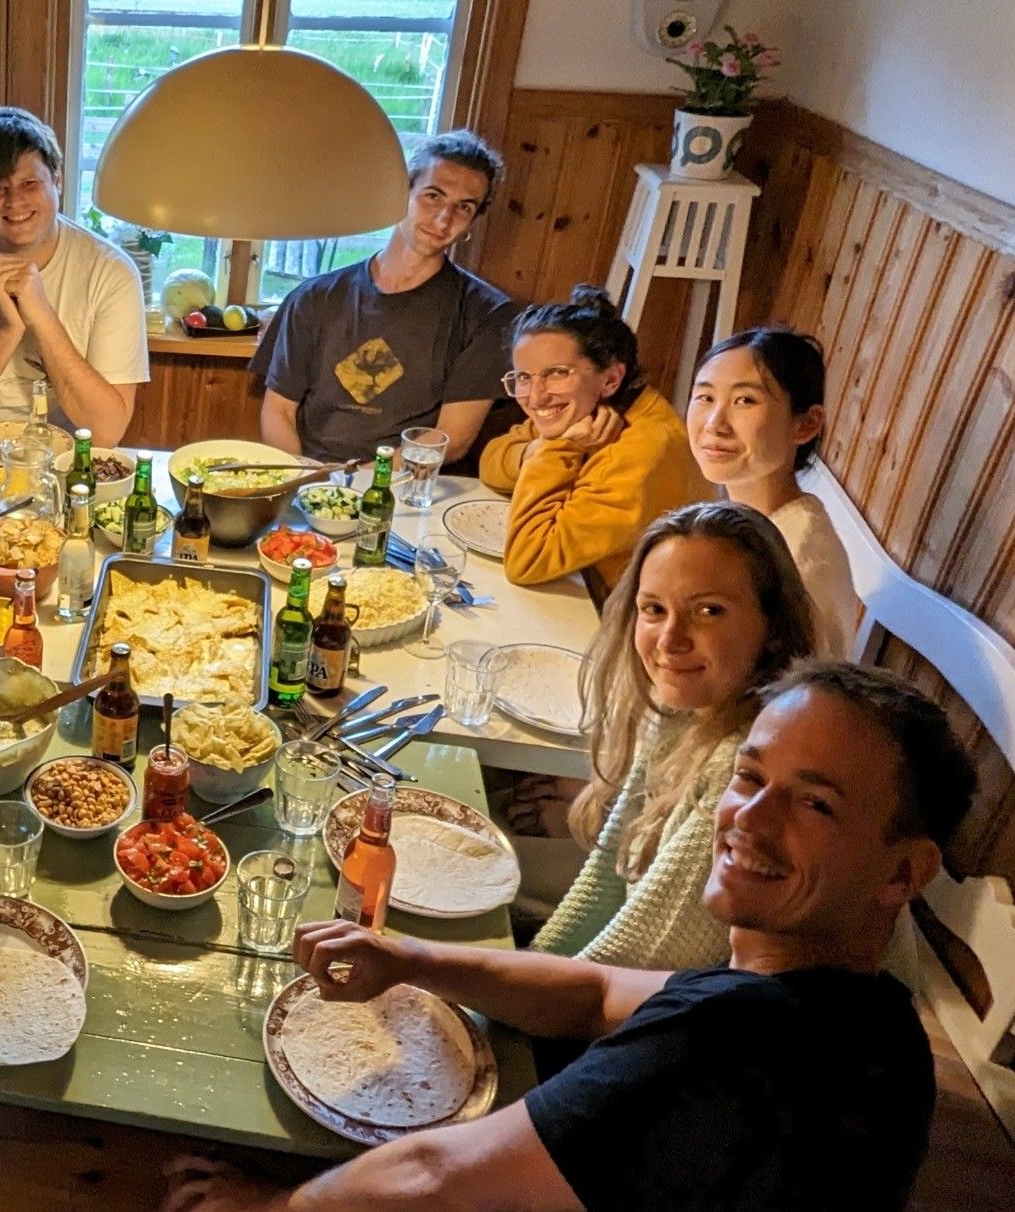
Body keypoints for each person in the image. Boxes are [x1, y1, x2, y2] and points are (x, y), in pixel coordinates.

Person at [162, 660, 970, 1212]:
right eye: (750, 778)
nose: (749, 821)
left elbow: (434, 1181)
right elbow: (594, 994)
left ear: (904, 873)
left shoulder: (734, 1041)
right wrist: (405, 958)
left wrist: (267, 1204)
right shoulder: (870, 1017)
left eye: (816, 804)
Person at [527, 501, 819, 970]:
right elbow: (601, 890)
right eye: (654, 609)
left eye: (708, 611)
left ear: (773, 628)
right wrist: (532, 963)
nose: (670, 639)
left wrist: (501, 996)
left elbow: (636, 965)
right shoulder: (685, 711)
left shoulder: (743, 766)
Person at [253, 129, 521, 465]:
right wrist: (302, 480)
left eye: (463, 207)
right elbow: (278, 410)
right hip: (308, 477)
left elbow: (453, 437)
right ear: (401, 194)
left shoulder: (488, 313)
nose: (443, 219)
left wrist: (365, 481)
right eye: (433, 196)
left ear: (473, 221)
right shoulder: (314, 297)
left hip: (405, 488)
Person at [0, 105, 148, 446]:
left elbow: (106, 432)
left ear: (57, 180)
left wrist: (42, 317)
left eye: (29, 183)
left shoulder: (112, 271)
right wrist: (8, 328)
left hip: (69, 461)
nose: (14, 201)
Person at [478, 285, 712, 595]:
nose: (536, 397)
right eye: (523, 377)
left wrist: (561, 449)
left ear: (611, 379)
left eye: (557, 373)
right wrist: (540, 448)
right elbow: (492, 462)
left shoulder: (641, 450)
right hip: (580, 585)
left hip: (621, 614)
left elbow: (528, 560)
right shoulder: (585, 410)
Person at [687, 326, 861, 656]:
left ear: (806, 424)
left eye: (745, 401)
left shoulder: (798, 564)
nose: (714, 423)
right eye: (705, 397)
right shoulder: (748, 521)